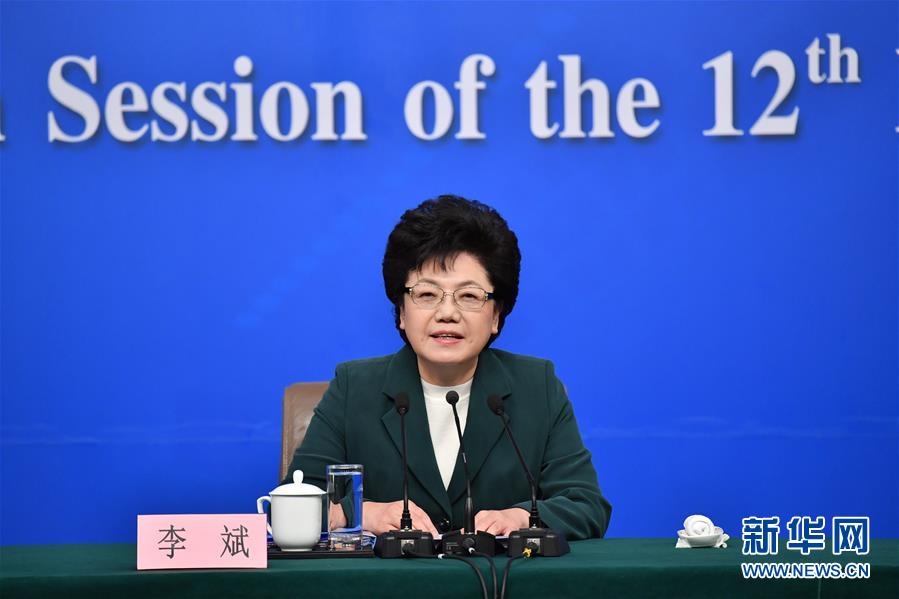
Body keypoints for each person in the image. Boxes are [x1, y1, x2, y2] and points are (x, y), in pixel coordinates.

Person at [284, 195, 611, 539]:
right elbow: (294, 505)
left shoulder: (537, 387)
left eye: (469, 296)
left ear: (496, 316)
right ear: (401, 311)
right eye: (427, 294)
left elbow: (586, 505)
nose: (447, 313)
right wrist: (364, 513)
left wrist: (520, 518)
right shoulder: (354, 388)